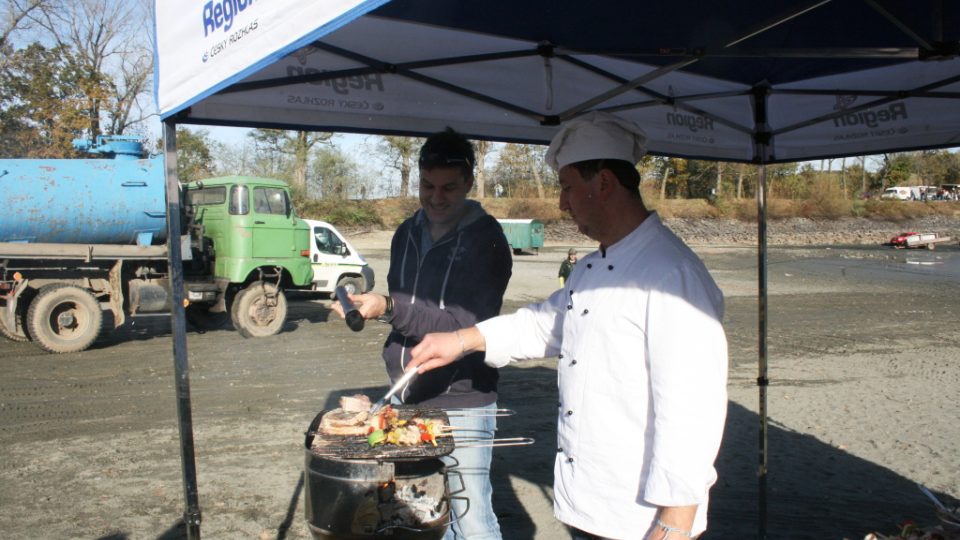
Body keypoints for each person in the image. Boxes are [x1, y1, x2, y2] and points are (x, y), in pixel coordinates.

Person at [405, 112, 728, 540]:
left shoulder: (671, 275)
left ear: (605, 184)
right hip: (590, 505)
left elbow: (692, 407)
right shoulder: (593, 267)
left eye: (568, 187)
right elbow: (544, 324)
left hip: (643, 518)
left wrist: (676, 518)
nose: (561, 202)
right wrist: (462, 339)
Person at [333, 127, 512, 540]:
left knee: (472, 517)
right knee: (426, 516)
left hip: (462, 399)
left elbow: (467, 327)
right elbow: (403, 307)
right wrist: (370, 306)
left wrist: (390, 308)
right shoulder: (405, 233)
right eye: (427, 186)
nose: (436, 197)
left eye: (449, 188)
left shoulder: (488, 240)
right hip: (407, 391)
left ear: (469, 182)